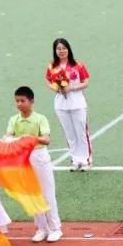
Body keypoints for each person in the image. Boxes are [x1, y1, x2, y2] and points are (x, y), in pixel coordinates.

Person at [7, 87, 62, 243]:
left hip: (38, 156)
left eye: (22, 101)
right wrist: (8, 139)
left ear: (31, 101)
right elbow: (8, 135)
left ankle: (55, 228)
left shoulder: (40, 119)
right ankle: (42, 228)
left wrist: (30, 138)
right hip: (22, 159)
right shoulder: (14, 120)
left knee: (46, 193)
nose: (19, 104)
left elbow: (46, 140)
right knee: (32, 194)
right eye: (17, 101)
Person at [45, 38, 92, 171]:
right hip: (61, 104)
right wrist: (56, 88)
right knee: (69, 132)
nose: (61, 51)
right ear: (55, 51)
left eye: (64, 48)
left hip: (77, 102)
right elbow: (48, 81)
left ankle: (86, 160)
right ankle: (75, 159)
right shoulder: (52, 66)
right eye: (58, 49)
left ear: (68, 49)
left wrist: (72, 88)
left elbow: (86, 82)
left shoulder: (78, 65)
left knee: (81, 131)